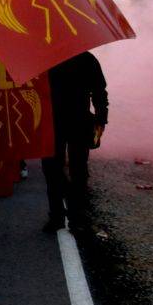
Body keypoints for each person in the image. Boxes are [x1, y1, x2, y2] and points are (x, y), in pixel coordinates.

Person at [41, 52, 109, 233]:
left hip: (64, 122)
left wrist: (101, 119)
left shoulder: (47, 58)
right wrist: (101, 119)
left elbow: (99, 92)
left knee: (64, 170)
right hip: (65, 122)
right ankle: (70, 217)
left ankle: (64, 216)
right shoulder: (88, 59)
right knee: (64, 170)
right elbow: (100, 92)